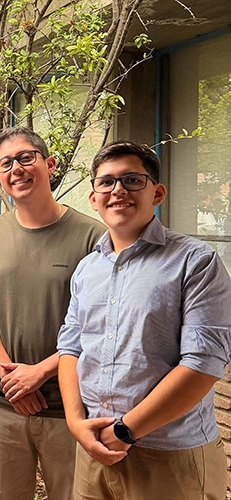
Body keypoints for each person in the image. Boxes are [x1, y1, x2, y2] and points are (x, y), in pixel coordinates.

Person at [58, 141, 231, 500]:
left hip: (169, 457)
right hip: (92, 455)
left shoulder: (195, 262)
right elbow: (70, 348)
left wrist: (124, 431)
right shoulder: (87, 269)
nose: (118, 190)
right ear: (93, 198)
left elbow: (203, 364)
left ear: (158, 192)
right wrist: (76, 424)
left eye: (132, 180)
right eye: (106, 182)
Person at [0, 126, 105, 500]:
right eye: (6, 163)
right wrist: (12, 377)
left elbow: (102, 324)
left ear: (49, 165)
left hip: (68, 404)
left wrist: (39, 373)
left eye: (26, 158)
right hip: (3, 400)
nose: (16, 169)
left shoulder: (93, 236)